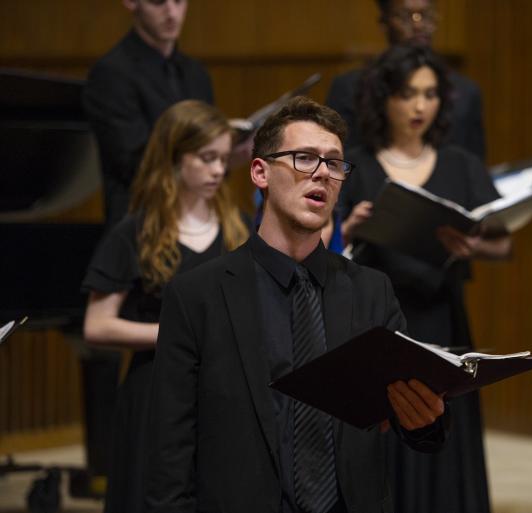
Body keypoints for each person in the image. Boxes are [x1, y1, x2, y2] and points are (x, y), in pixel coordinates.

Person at [143, 96, 448, 513]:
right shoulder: (198, 296)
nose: (322, 173)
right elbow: (169, 450)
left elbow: (410, 421)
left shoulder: (372, 291)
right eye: (304, 158)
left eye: (334, 163)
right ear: (260, 172)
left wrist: (426, 419)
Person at [339, 45, 510, 513]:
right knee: (386, 430)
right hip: (377, 323)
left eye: (430, 94)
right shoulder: (355, 163)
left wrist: (474, 247)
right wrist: (348, 229)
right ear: (384, 99)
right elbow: (326, 251)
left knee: (440, 428)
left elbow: (503, 243)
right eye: (407, 94)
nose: (419, 106)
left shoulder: (460, 164)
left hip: (441, 317)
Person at [81, 100, 249, 513]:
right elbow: (97, 326)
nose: (217, 171)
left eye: (224, 160)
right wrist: (176, 334)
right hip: (154, 391)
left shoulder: (238, 227)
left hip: (222, 391)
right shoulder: (135, 231)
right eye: (207, 158)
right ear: (175, 156)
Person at [83, 0, 213, 228]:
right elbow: (135, 165)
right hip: (141, 225)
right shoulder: (111, 74)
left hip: (196, 219)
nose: (172, 13)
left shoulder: (196, 73)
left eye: (179, 1)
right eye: (158, 2)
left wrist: (228, 154)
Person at [326, 0, 486, 160]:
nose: (418, 25)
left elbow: (475, 168)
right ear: (384, 23)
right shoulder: (349, 88)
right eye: (405, 16)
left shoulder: (466, 91)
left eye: (426, 15)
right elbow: (336, 161)